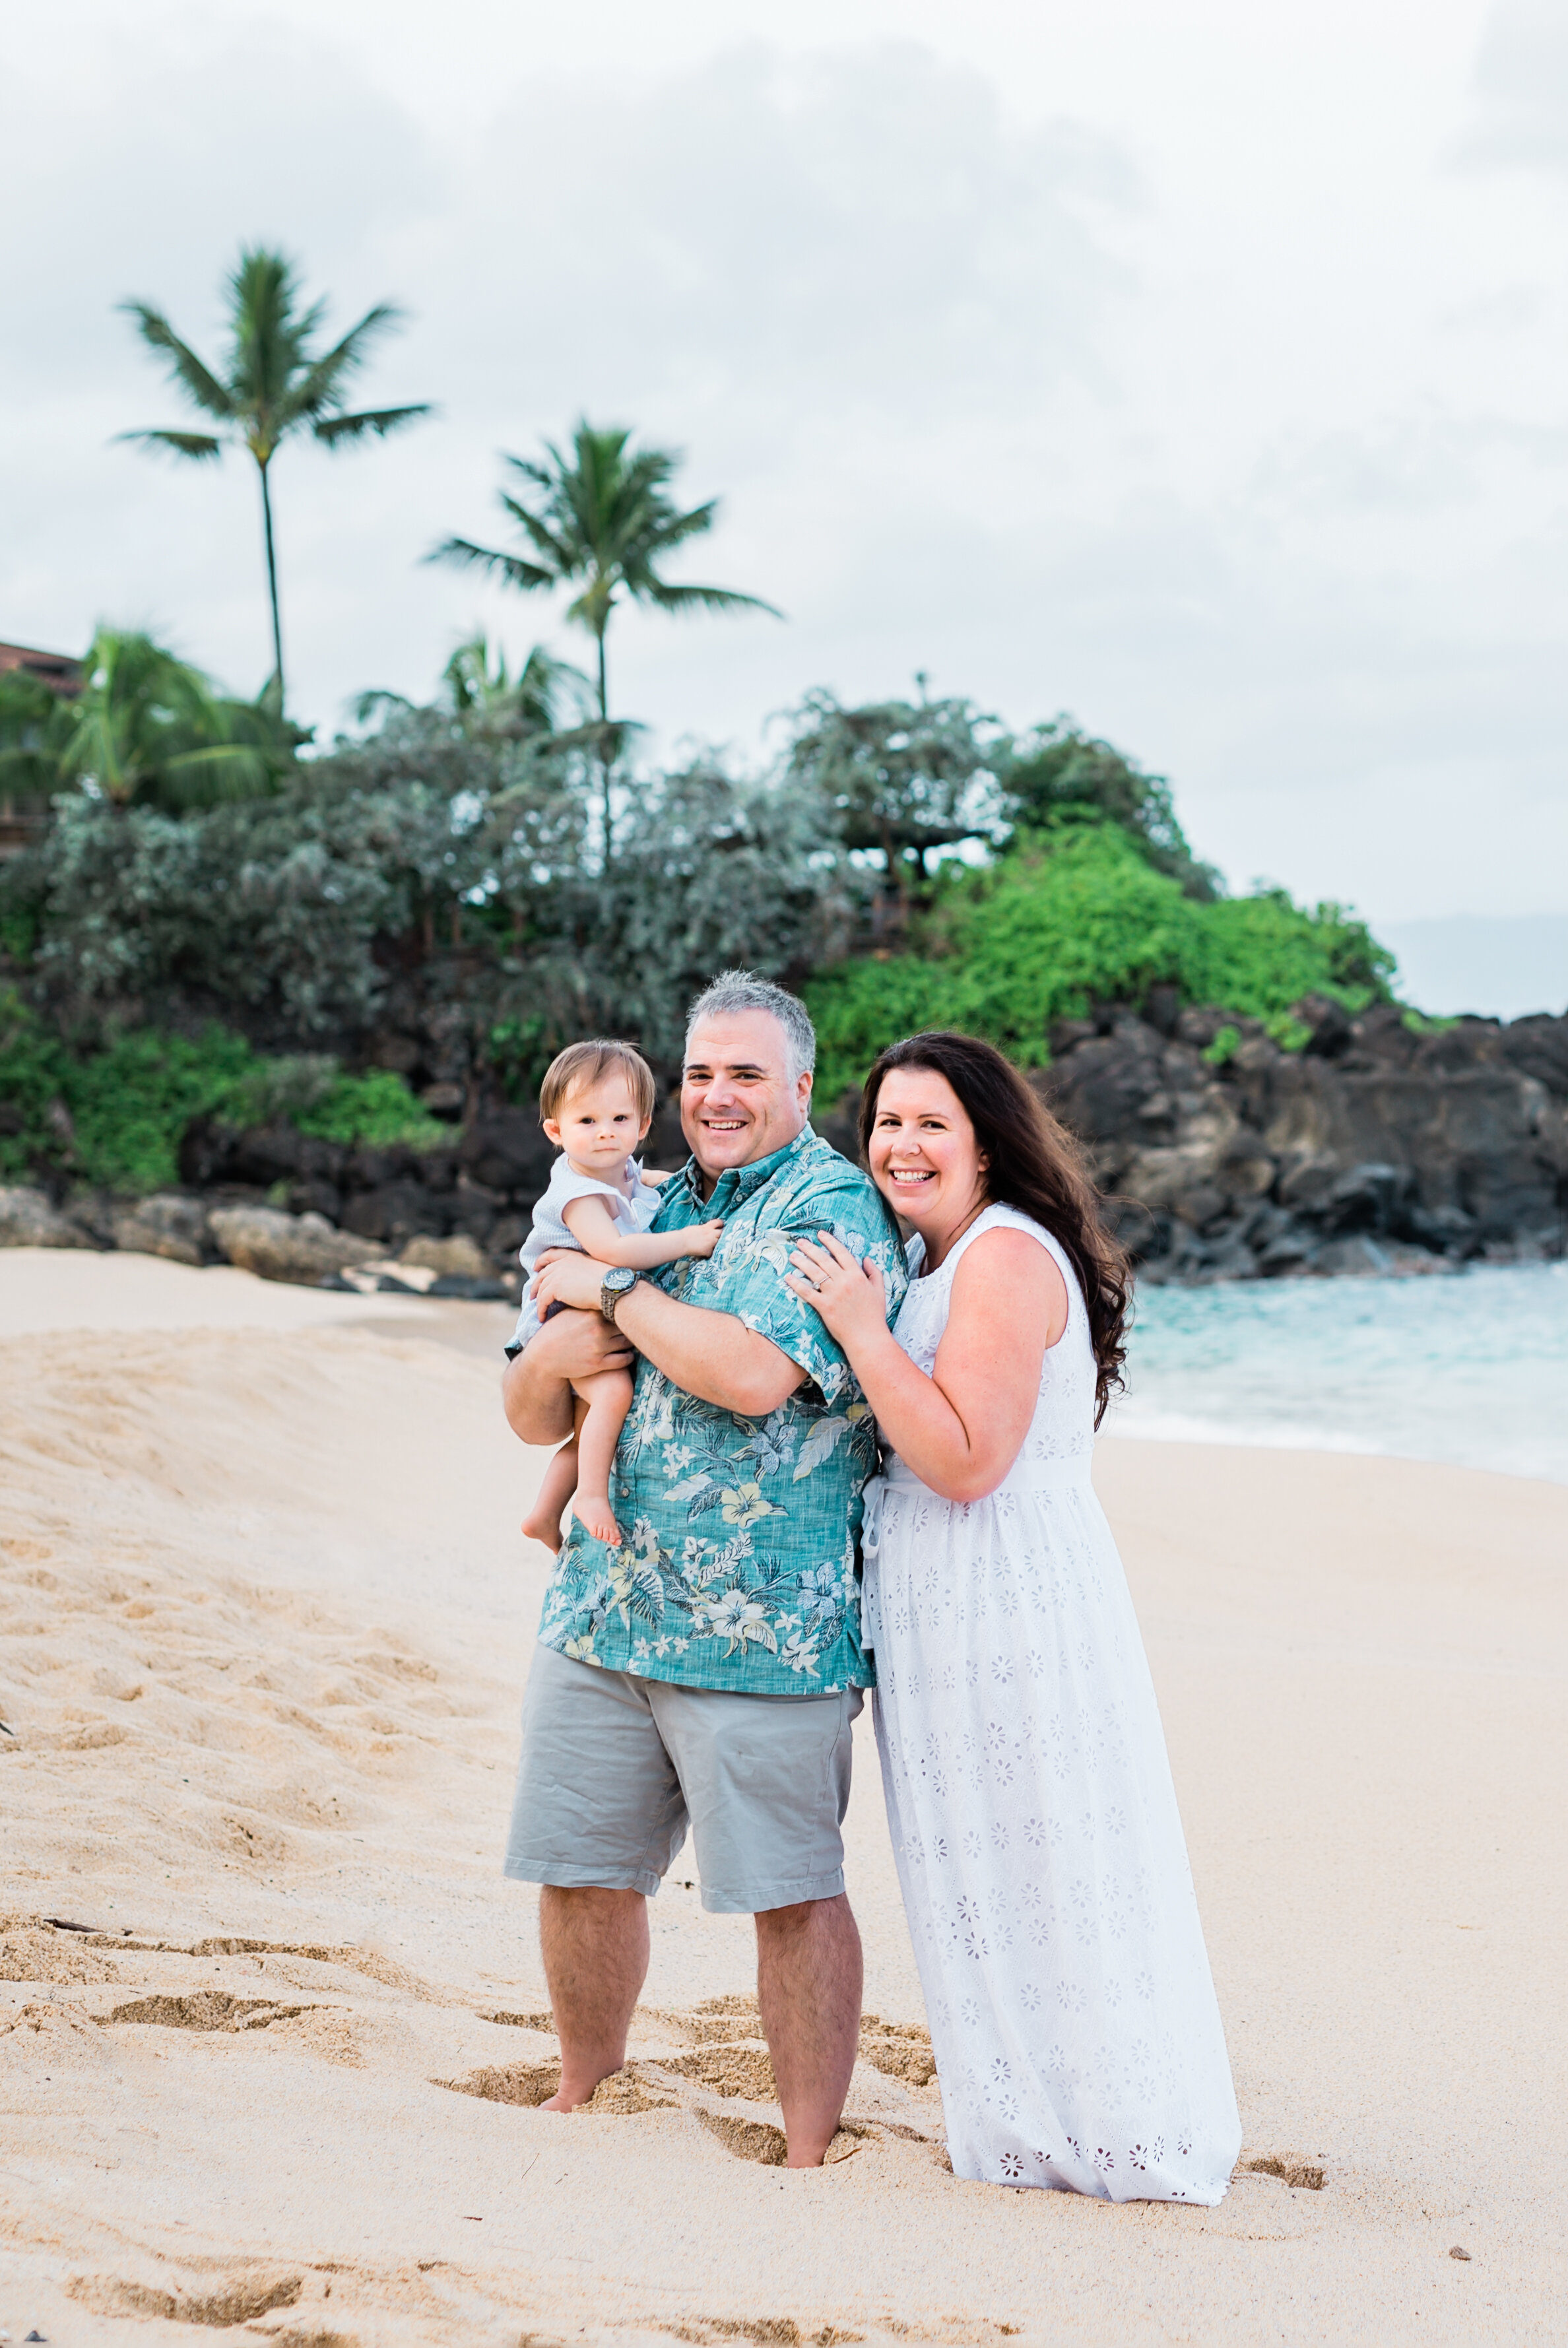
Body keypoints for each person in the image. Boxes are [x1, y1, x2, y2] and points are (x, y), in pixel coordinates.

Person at [784, 1030, 1242, 2201]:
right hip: (951, 1602)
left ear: (988, 1140)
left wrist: (857, 1327)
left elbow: (968, 1459)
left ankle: (1106, 2128)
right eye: (886, 1122)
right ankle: (1032, 2115)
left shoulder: (998, 1257)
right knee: (990, 1861)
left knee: (1046, 1850)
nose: (901, 1144)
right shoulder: (936, 1254)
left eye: (932, 1122)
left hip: (1005, 1602)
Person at [500, 970, 907, 2167]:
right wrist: (578, 1319)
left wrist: (610, 1290)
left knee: (789, 1894)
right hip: (603, 1606)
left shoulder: (833, 1205)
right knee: (579, 1870)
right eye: (698, 1073)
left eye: (743, 1073)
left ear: (801, 1084)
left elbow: (749, 1373)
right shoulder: (645, 1194)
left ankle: (805, 2143)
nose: (715, 1096)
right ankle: (585, 2086)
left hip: (763, 1635)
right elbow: (531, 1403)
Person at [509, 1039, 723, 1552]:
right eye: (587, 1122)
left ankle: (543, 1513)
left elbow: (640, 1182)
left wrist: (676, 1183)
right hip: (560, 1310)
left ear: (643, 1125)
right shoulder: (578, 1194)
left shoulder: (616, 1170)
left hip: (588, 1300)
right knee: (612, 1396)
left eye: (620, 1119)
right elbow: (613, 1248)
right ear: (556, 1132)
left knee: (590, 1435)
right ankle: (590, 1497)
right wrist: (687, 1241)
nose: (605, 1132)